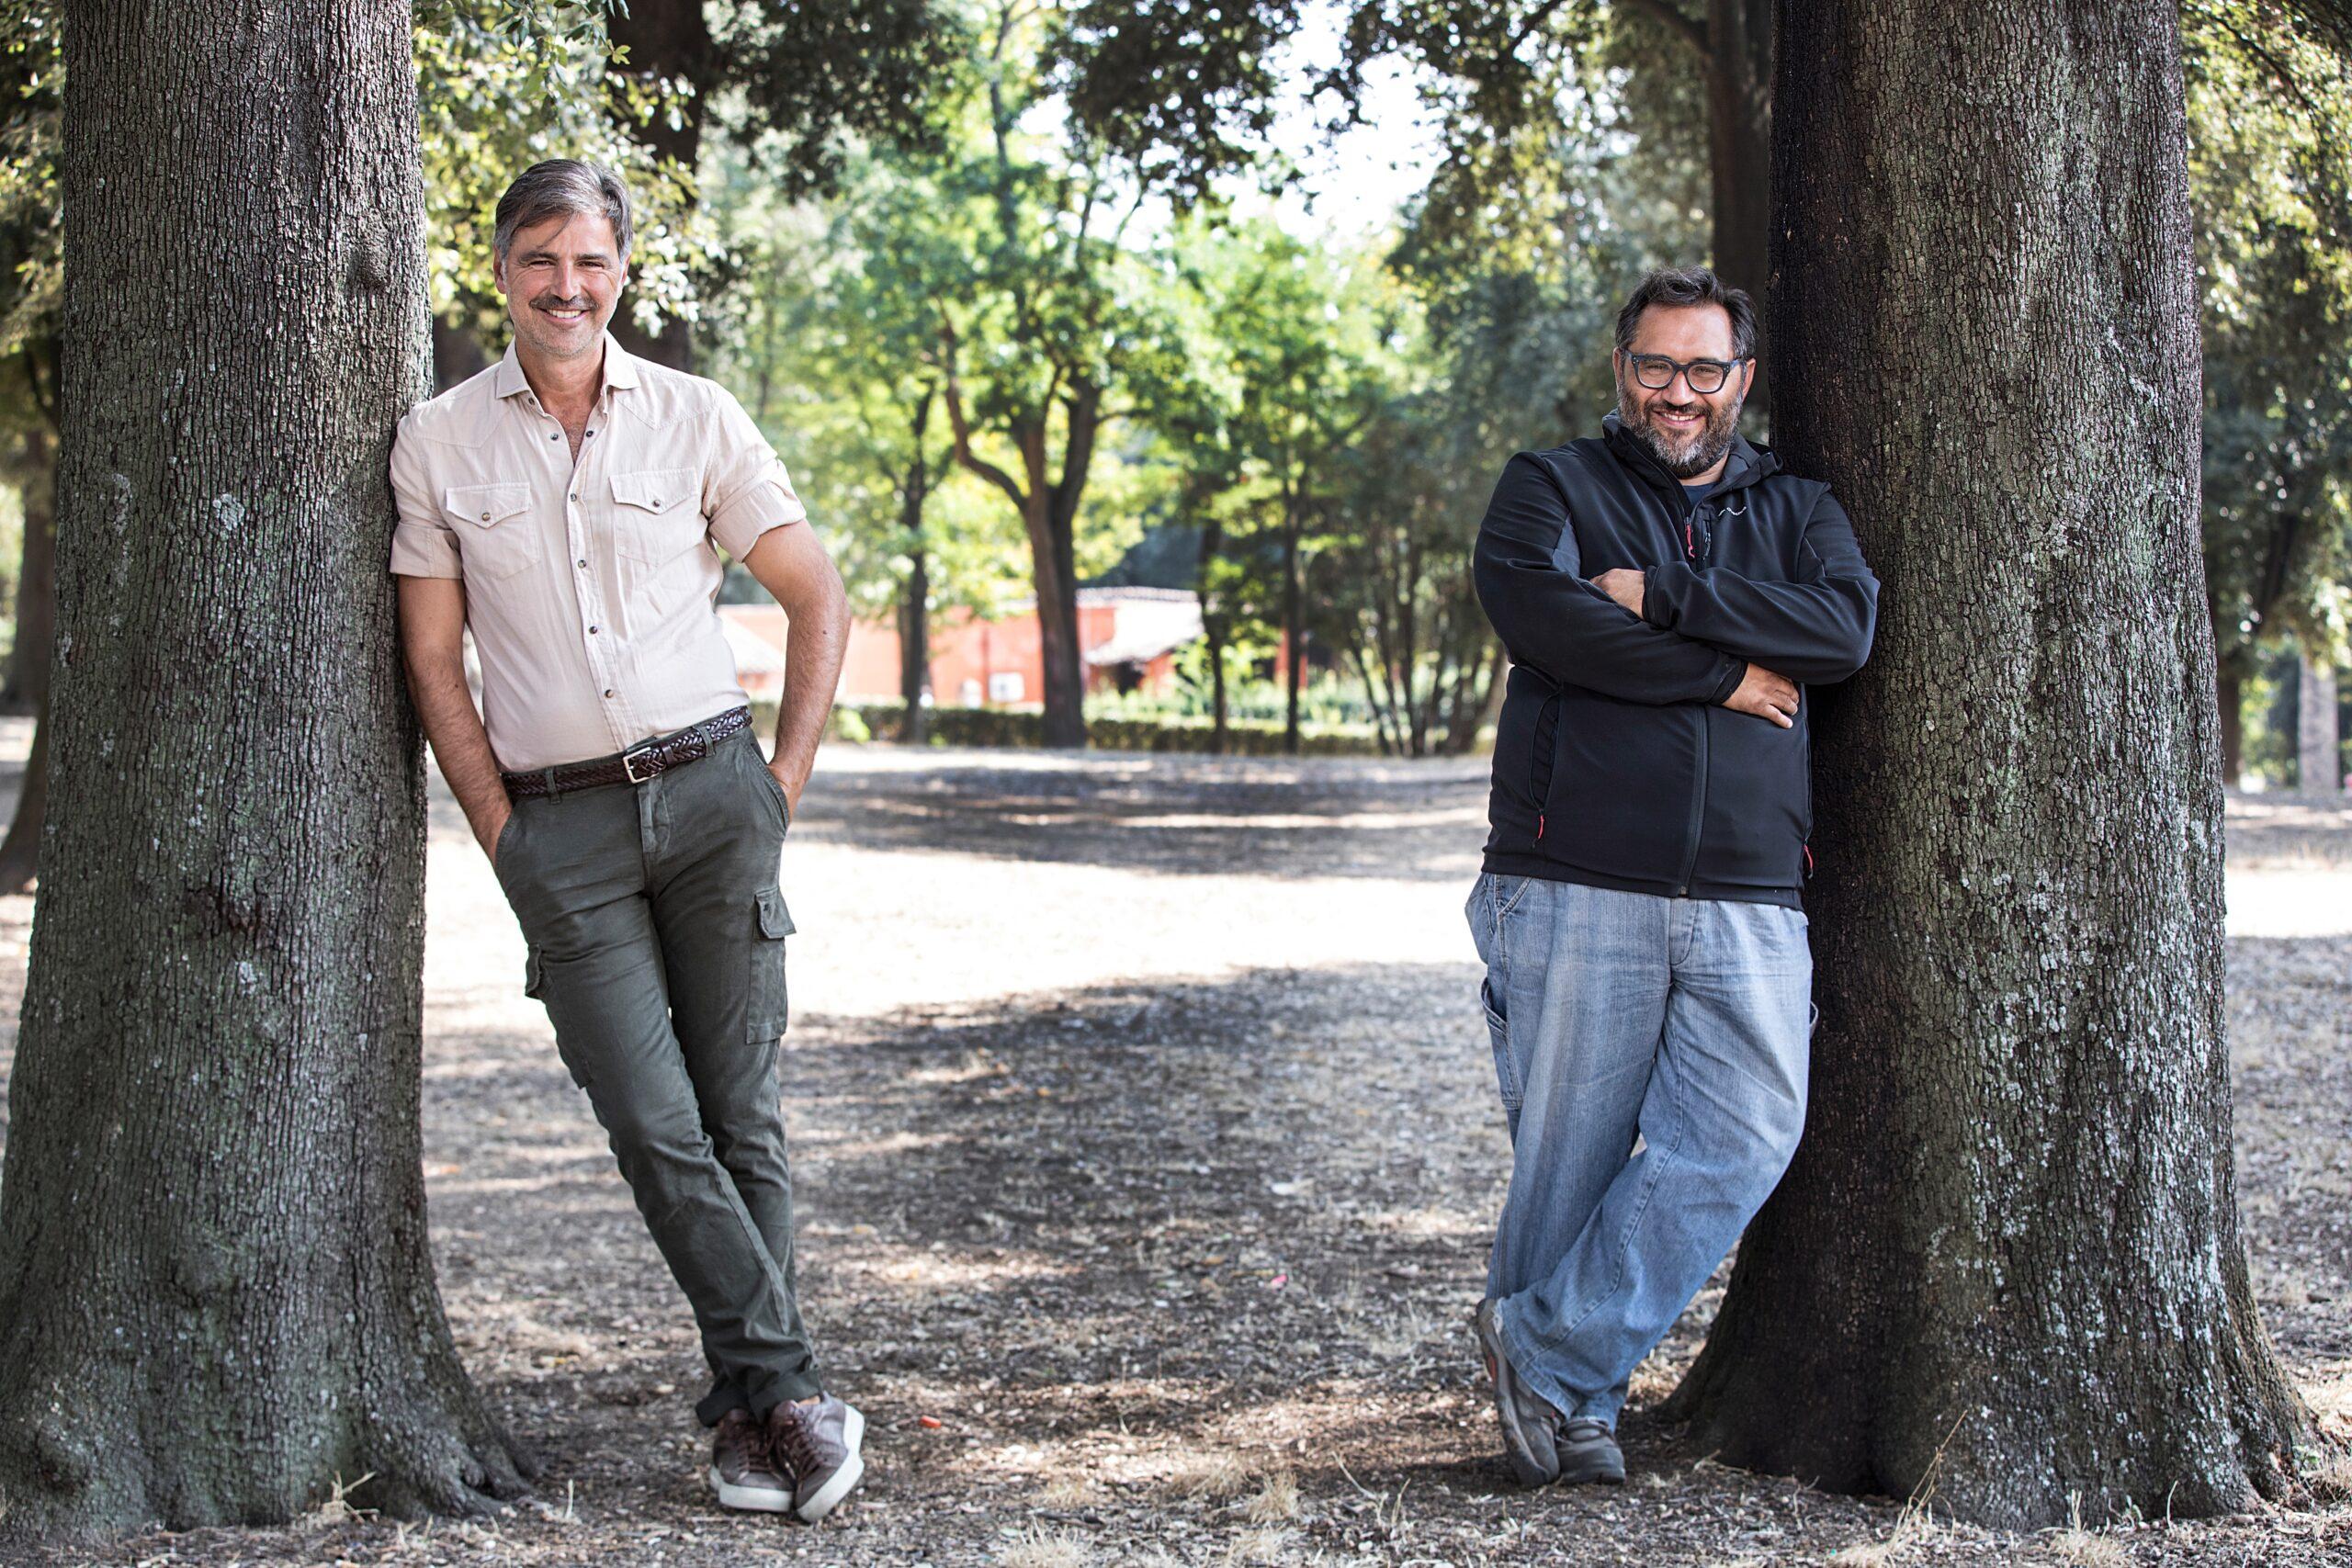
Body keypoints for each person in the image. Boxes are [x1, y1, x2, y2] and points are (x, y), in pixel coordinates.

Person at [389, 159, 861, 1522]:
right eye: (540, 260)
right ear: (500, 274)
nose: (566, 286)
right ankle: (790, 1393)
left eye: (589, 261)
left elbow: (816, 593)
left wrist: (779, 783)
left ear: (621, 272)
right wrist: (501, 832)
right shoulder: (439, 442)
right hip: (564, 833)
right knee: (655, 1126)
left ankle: (749, 1419)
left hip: (715, 796)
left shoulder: (696, 420)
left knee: (740, 1117)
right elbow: (434, 662)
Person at [1464, 266, 1879, 1486]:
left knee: (1748, 1131)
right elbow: (1544, 621)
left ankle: (1540, 1349)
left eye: (1705, 369)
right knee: (1570, 1155)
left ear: (1741, 378)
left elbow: (1842, 632)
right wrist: (1721, 673)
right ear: (1622, 372)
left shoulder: (1799, 510)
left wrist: (1668, 599)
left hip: (1752, 890)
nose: (1678, 393)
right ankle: (1571, 1404)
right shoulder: (1551, 487)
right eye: (1657, 367)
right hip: (1576, 873)